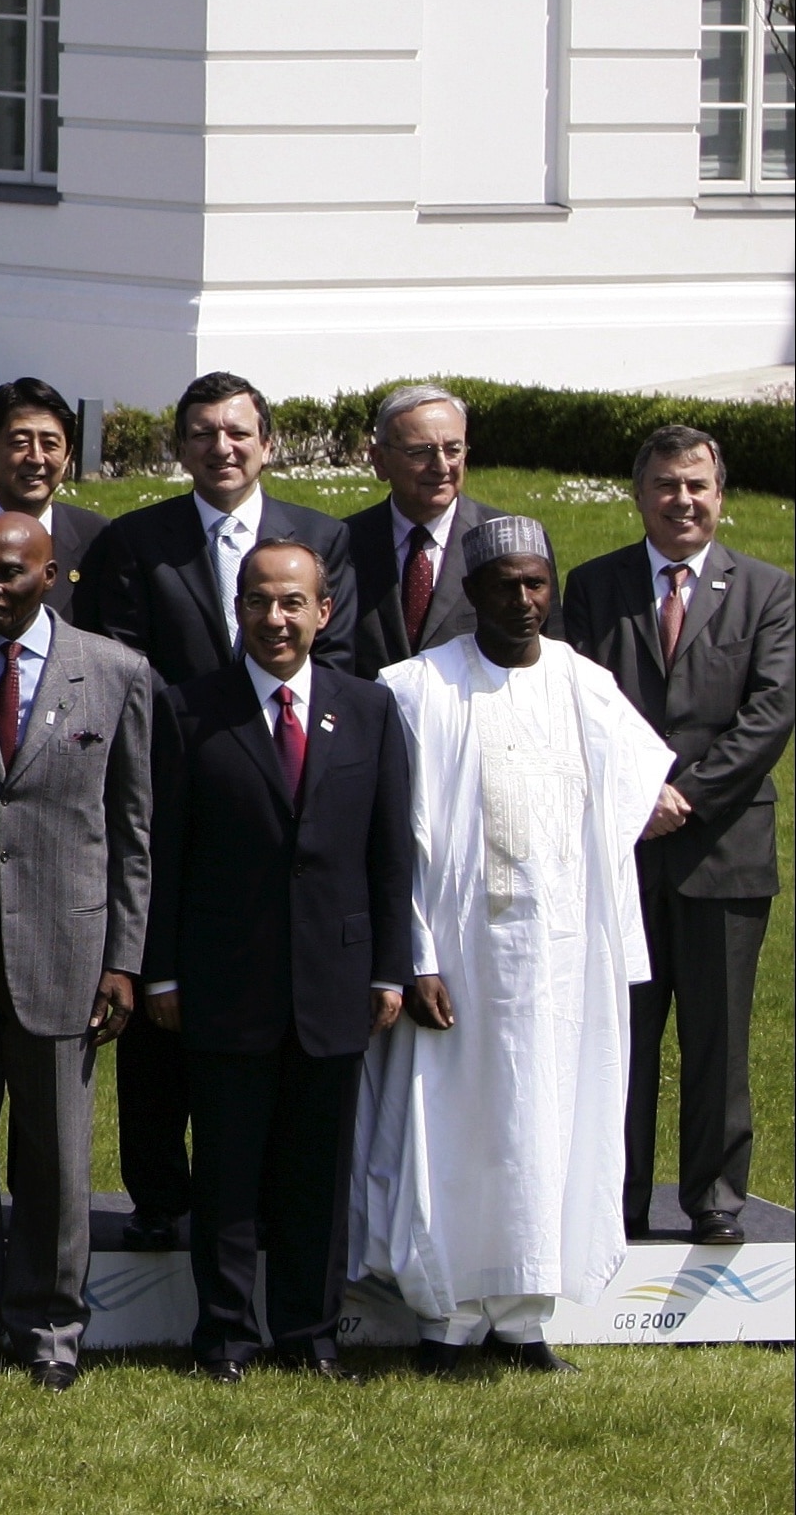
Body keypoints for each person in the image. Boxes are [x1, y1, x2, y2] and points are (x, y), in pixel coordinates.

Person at [361, 516, 676, 1374]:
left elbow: (639, 786)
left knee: (547, 1123)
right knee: (454, 1129)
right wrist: (417, 956)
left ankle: (525, 1316)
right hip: (458, 961)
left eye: (537, 583)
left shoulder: (584, 684)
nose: (524, 600)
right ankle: (447, 1320)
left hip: (560, 962)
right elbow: (398, 840)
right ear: (472, 592)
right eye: (505, 585)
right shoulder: (417, 688)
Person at [72, 369, 357, 1255]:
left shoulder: (322, 537)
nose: (221, 447)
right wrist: (210, 728)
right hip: (166, 788)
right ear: (180, 446)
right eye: (202, 433)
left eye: (238, 432)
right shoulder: (135, 542)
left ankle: (267, 1199)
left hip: (287, 792)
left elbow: (337, 657)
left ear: (267, 443)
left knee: (276, 1011)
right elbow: (122, 662)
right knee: (163, 996)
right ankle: (160, 1194)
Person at [144, 539, 413, 1383]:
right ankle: (225, 1336)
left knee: (316, 1173)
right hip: (225, 981)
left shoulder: (368, 710)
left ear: (323, 612)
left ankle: (310, 1334)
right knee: (226, 1170)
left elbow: (390, 853)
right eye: (259, 601)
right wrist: (162, 972)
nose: (275, 618)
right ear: (238, 611)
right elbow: (165, 853)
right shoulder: (190, 710)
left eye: (293, 602)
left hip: (335, 981)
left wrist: (389, 970)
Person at [0, 513, 154, 1390]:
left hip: (67, 952)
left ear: (51, 576)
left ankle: (50, 1328)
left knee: (58, 1161)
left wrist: (123, 957)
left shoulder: (115, 673)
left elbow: (133, 830)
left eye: (11, 572)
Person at [557, 426, 792, 1246]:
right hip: (619, 850)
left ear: (720, 495)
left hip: (724, 850)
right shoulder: (595, 586)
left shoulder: (769, 591)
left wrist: (683, 797)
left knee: (719, 1037)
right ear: (639, 494)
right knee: (619, 1032)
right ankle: (615, 1198)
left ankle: (715, 1197)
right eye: (666, 484)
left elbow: (769, 714)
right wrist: (635, 794)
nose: (682, 500)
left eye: (697, 485)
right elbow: (582, 701)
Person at [342, 385, 504, 678]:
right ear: (380, 460)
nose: (441, 466)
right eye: (421, 452)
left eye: (453, 450)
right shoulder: (342, 544)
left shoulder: (502, 540)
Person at [0, 377, 106, 617]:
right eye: (20, 443)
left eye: (50, 444)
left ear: (67, 457)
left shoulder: (98, 539)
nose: (36, 458)